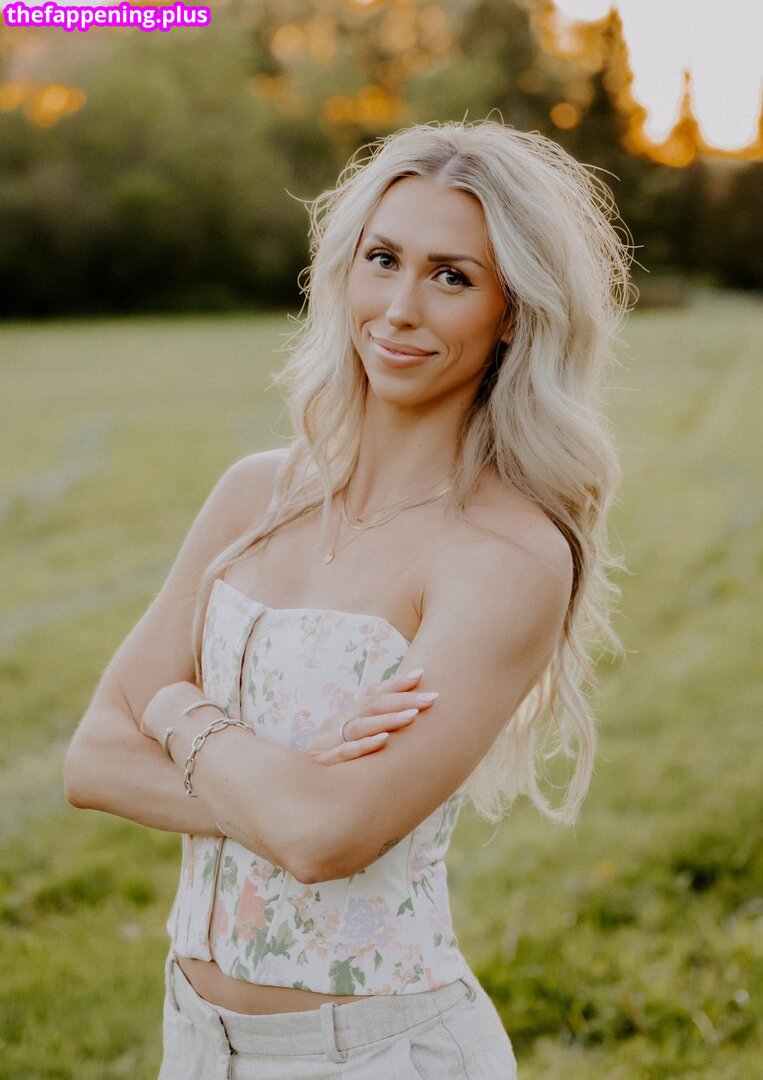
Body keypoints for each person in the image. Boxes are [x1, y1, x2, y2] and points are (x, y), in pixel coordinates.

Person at [64, 119, 631, 1078]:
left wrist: (173, 710)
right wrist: (286, 792)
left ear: (511, 314)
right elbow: (91, 761)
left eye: (452, 276)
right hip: (194, 1041)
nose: (400, 309)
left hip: (374, 1052)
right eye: (382, 260)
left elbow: (327, 839)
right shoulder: (254, 495)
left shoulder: (504, 556)